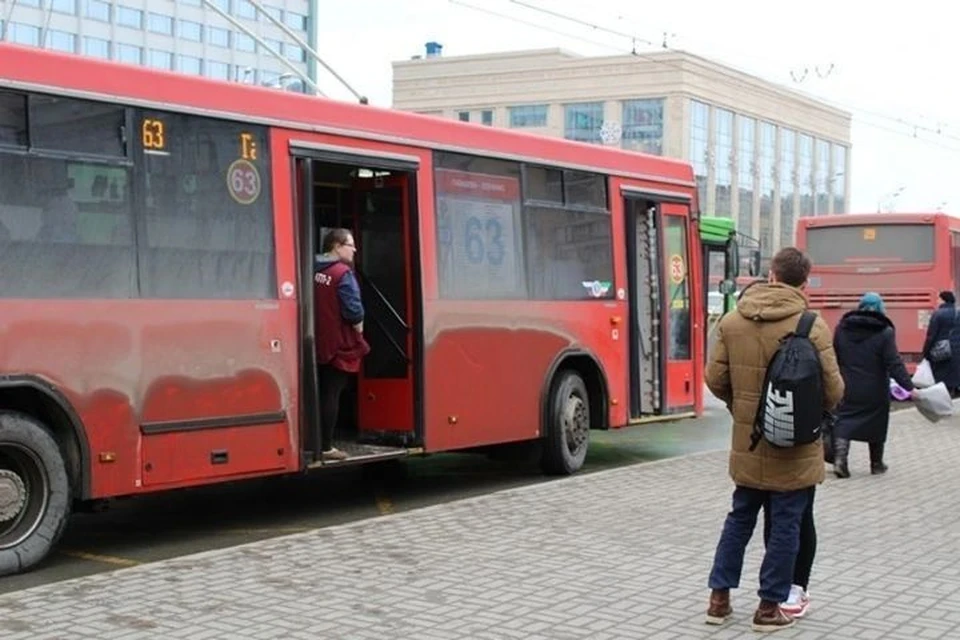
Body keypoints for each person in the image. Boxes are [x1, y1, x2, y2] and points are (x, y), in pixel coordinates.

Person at [704, 247, 844, 632]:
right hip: (795, 446)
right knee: (786, 524)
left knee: (739, 517)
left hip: (748, 443)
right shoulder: (811, 325)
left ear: (770, 275)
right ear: (804, 283)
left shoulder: (732, 322)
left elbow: (714, 379)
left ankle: (719, 598)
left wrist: (745, 407)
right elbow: (834, 390)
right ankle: (768, 607)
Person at [832, 292, 918, 478]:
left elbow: (834, 356)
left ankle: (840, 460)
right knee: (877, 422)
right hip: (874, 387)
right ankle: (876, 464)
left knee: (844, 420)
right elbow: (893, 362)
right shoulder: (884, 332)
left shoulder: (842, 328)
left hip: (847, 384)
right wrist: (909, 387)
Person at [313, 228, 369, 462]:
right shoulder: (343, 273)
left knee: (321, 392)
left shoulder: (315, 270)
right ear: (336, 246)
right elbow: (353, 310)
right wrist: (359, 326)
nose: (355, 249)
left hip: (318, 343)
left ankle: (315, 440)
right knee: (332, 394)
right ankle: (326, 446)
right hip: (339, 346)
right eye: (350, 244)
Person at [921, 290, 960, 396]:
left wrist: (925, 352)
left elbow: (931, 336)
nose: (937, 301)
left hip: (941, 351)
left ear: (943, 300)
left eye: (939, 298)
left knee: (941, 378)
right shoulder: (958, 312)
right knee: (954, 375)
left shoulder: (938, 314)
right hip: (956, 350)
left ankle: (944, 400)